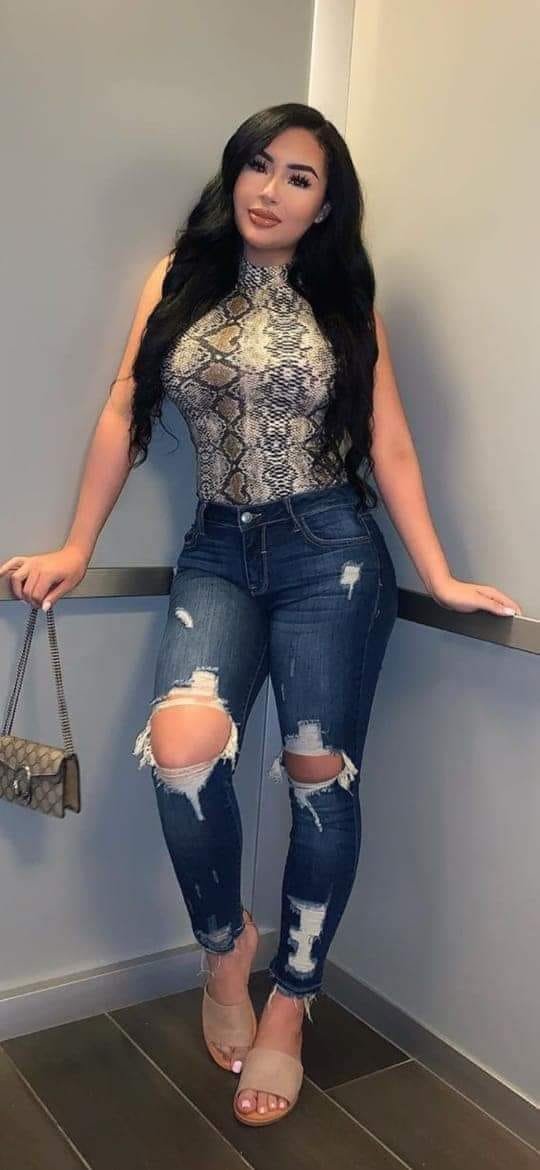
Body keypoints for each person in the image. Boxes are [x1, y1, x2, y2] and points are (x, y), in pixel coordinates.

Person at [0, 102, 522, 1127]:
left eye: (299, 177)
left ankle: (292, 1000)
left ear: (326, 206)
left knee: (319, 777)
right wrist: (75, 547)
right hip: (217, 550)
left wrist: (442, 573)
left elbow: (391, 443)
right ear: (232, 172)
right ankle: (226, 945)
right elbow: (124, 409)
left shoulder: (346, 301)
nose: (270, 190)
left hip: (333, 554)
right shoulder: (177, 279)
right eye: (258, 165)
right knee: (182, 747)